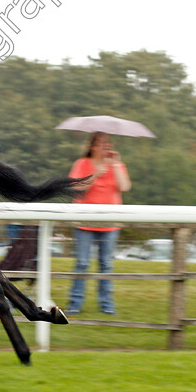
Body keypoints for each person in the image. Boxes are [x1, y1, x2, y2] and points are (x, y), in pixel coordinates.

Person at [66, 132, 131, 316]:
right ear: (92, 146)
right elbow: (75, 188)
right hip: (84, 222)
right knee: (82, 263)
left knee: (106, 264)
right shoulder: (82, 164)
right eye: (101, 143)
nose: (105, 146)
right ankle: (75, 303)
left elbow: (124, 187)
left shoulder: (117, 165)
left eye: (108, 143)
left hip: (109, 222)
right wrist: (95, 175)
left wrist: (116, 164)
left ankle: (107, 304)